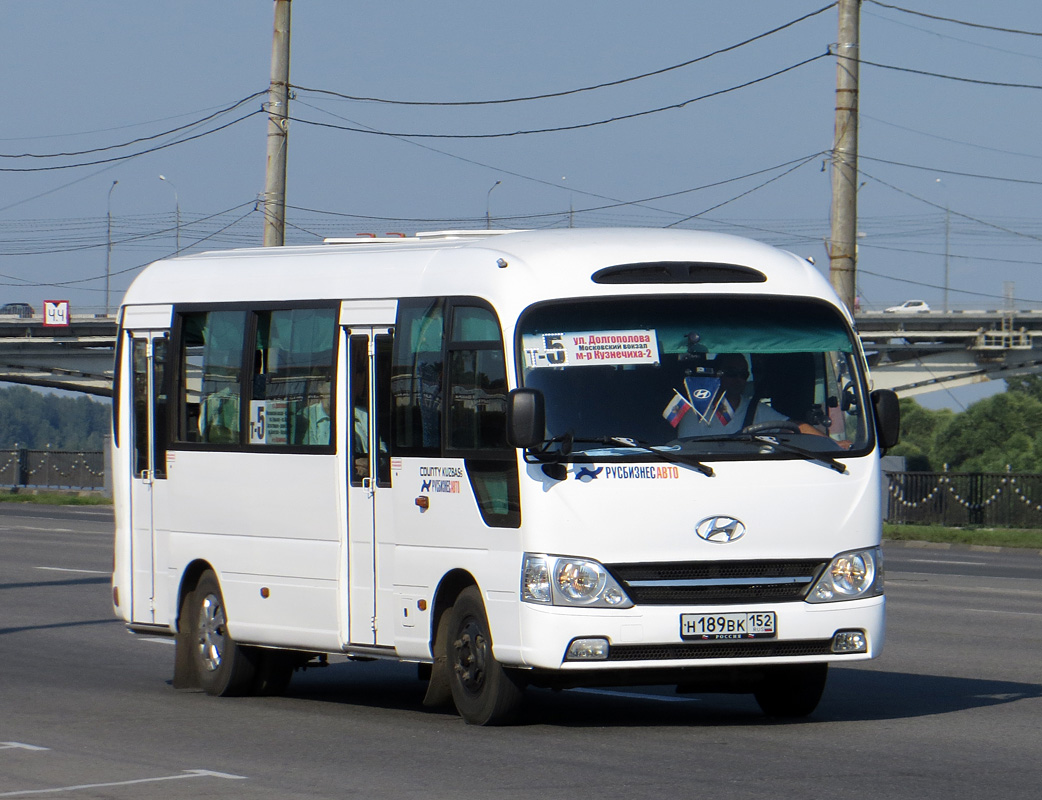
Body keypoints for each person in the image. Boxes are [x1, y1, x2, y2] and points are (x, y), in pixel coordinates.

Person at [675, 353, 819, 438]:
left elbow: (795, 426)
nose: (739, 379)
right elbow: (687, 453)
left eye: (743, 374)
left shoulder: (756, 409)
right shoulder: (695, 413)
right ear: (715, 375)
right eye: (732, 373)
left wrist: (833, 444)